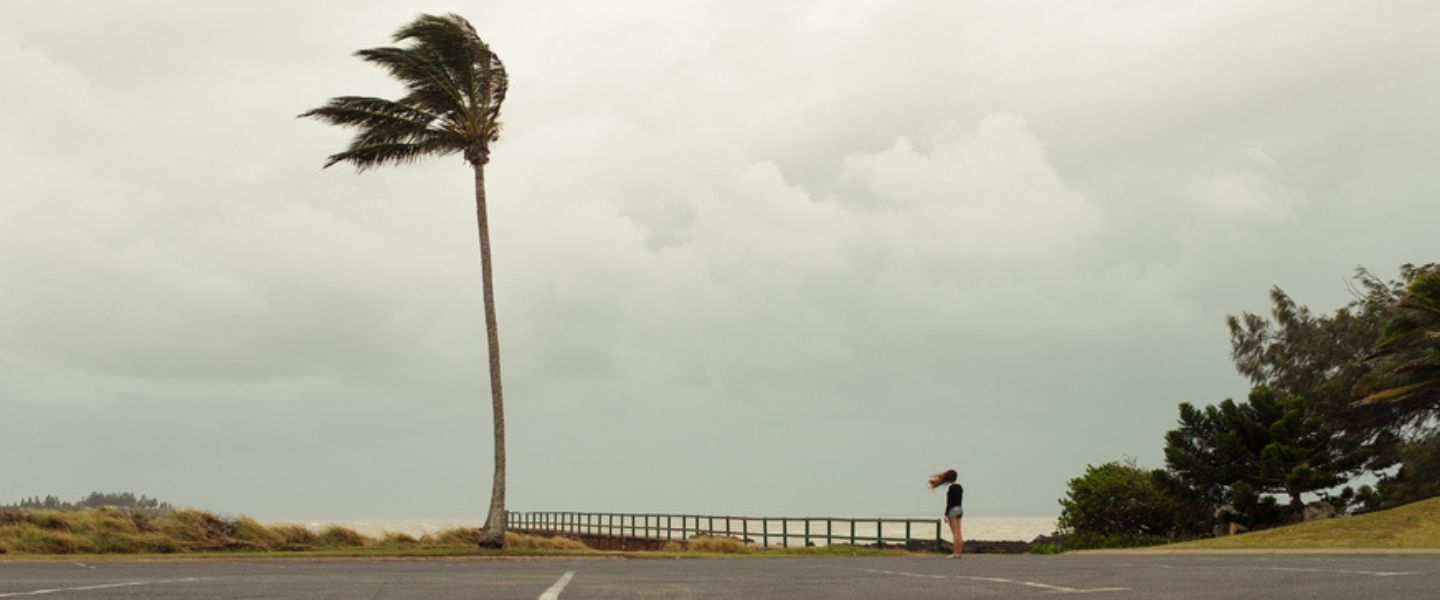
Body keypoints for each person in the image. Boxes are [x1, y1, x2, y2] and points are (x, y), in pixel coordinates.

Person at [929, 469, 963, 558]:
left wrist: (946, 514)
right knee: (959, 532)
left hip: (952, 510)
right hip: (959, 509)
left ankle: (955, 553)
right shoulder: (960, 487)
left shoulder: (951, 488)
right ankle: (959, 552)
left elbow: (949, 502)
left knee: (954, 532)